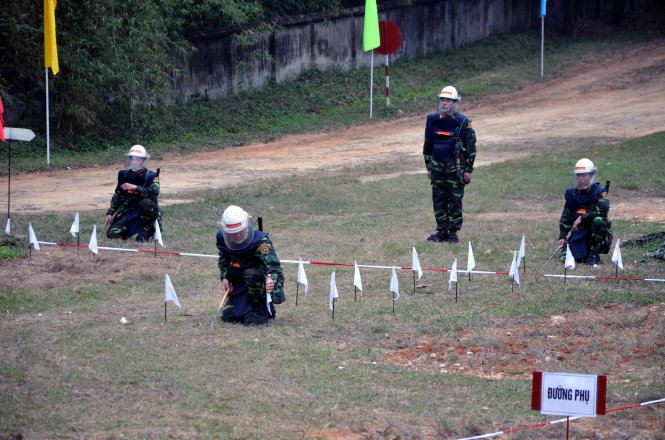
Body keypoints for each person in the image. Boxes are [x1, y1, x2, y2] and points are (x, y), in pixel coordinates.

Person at [423, 86, 477, 243]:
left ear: (455, 103)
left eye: (448, 100)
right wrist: (429, 167)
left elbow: (471, 148)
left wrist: (468, 170)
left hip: (456, 170)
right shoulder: (432, 120)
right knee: (438, 199)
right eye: (442, 100)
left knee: (455, 200)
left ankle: (453, 233)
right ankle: (441, 231)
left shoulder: (464, 123)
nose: (444, 103)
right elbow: (428, 145)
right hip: (437, 168)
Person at [216, 205, 285, 325]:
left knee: (251, 274)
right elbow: (224, 258)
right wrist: (225, 277)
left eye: (240, 231)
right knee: (228, 317)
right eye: (233, 233)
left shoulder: (261, 242)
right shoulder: (222, 238)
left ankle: (260, 308)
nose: (237, 236)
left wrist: (271, 280)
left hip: (258, 283)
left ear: (247, 226)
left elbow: (274, 267)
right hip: (239, 282)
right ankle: (243, 304)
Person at [557, 158, 613, 266]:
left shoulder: (600, 192)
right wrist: (563, 236)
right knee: (566, 259)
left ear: (591, 176)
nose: (580, 178)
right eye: (578, 175)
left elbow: (602, 212)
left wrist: (583, 217)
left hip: (595, 231)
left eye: (583, 175)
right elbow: (566, 215)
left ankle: (594, 253)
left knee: (599, 220)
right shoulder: (571, 194)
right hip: (578, 231)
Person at [103, 145, 161, 242]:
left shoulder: (152, 175)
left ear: (143, 160)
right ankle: (130, 230)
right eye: (132, 159)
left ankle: (145, 230)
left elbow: (154, 193)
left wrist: (135, 187)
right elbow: (118, 195)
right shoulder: (123, 174)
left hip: (146, 211)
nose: (134, 162)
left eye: (137, 159)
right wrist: (110, 213)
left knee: (147, 202)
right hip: (129, 210)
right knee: (112, 234)